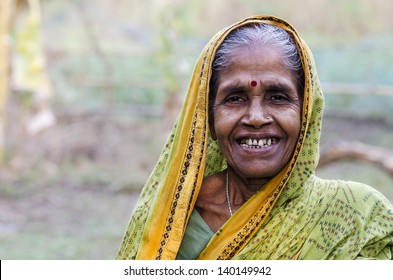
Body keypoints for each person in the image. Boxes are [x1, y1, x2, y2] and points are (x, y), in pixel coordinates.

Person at [116, 15, 393, 260]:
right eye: (235, 98)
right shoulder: (172, 212)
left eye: (278, 97)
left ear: (306, 115)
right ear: (208, 120)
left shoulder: (357, 217)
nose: (257, 117)